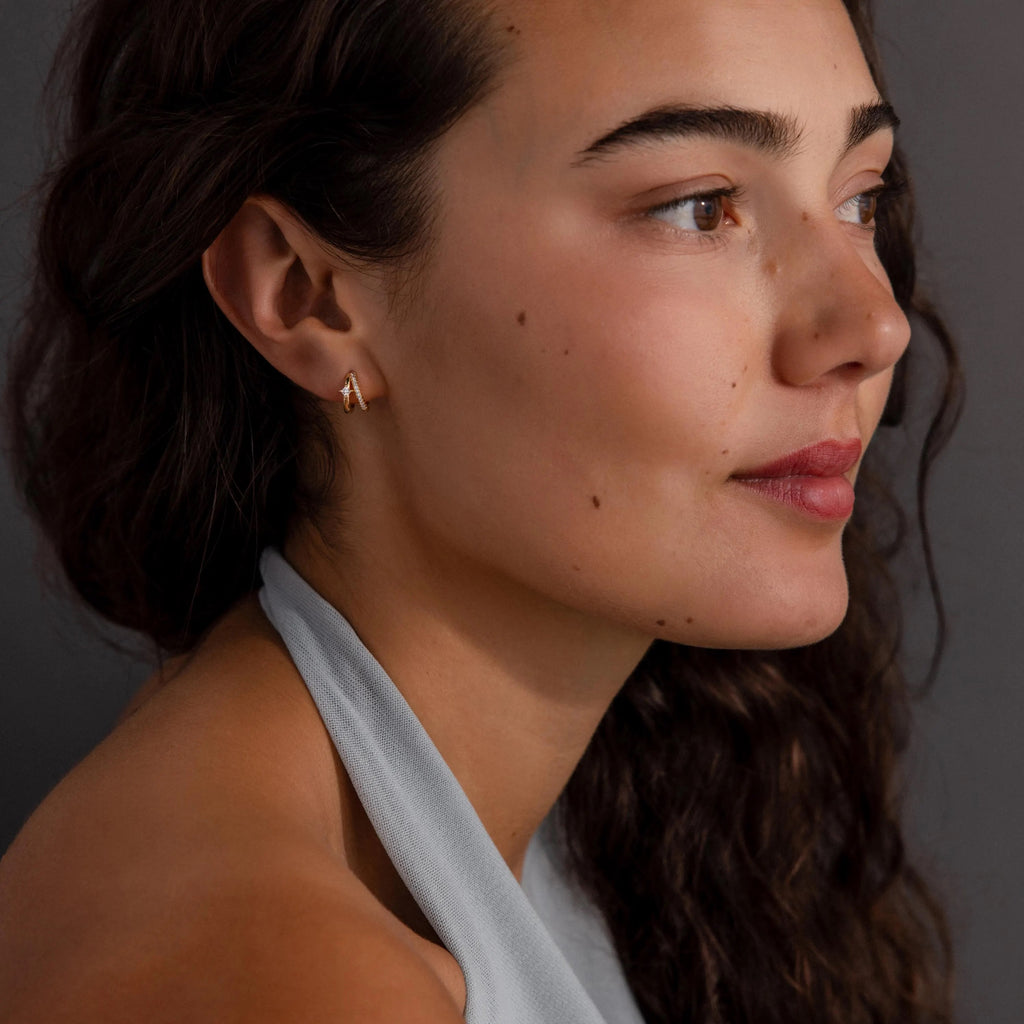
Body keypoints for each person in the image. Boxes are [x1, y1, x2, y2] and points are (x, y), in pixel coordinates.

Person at [0, 0, 962, 1020]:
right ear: (309, 295)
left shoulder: (607, 812)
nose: (872, 323)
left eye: (858, 196)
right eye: (699, 205)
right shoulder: (275, 979)